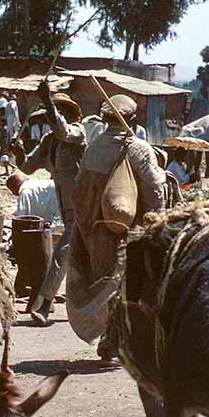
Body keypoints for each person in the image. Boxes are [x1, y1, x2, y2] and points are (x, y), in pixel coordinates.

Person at [67, 93, 165, 363]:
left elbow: (79, 192)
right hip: (130, 233)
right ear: (132, 119)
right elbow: (155, 191)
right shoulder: (139, 149)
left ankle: (112, 340)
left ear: (104, 119)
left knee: (106, 285)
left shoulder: (93, 148)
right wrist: (155, 226)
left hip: (95, 233)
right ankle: (115, 342)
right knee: (128, 287)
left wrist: (87, 229)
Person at [22, 85, 87, 325]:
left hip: (83, 204)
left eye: (59, 111)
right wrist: (17, 153)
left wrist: (48, 102)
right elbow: (28, 167)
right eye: (52, 111)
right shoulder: (49, 141)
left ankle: (44, 304)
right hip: (65, 206)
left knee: (62, 251)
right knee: (82, 255)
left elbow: (63, 131)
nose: (53, 117)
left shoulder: (77, 132)